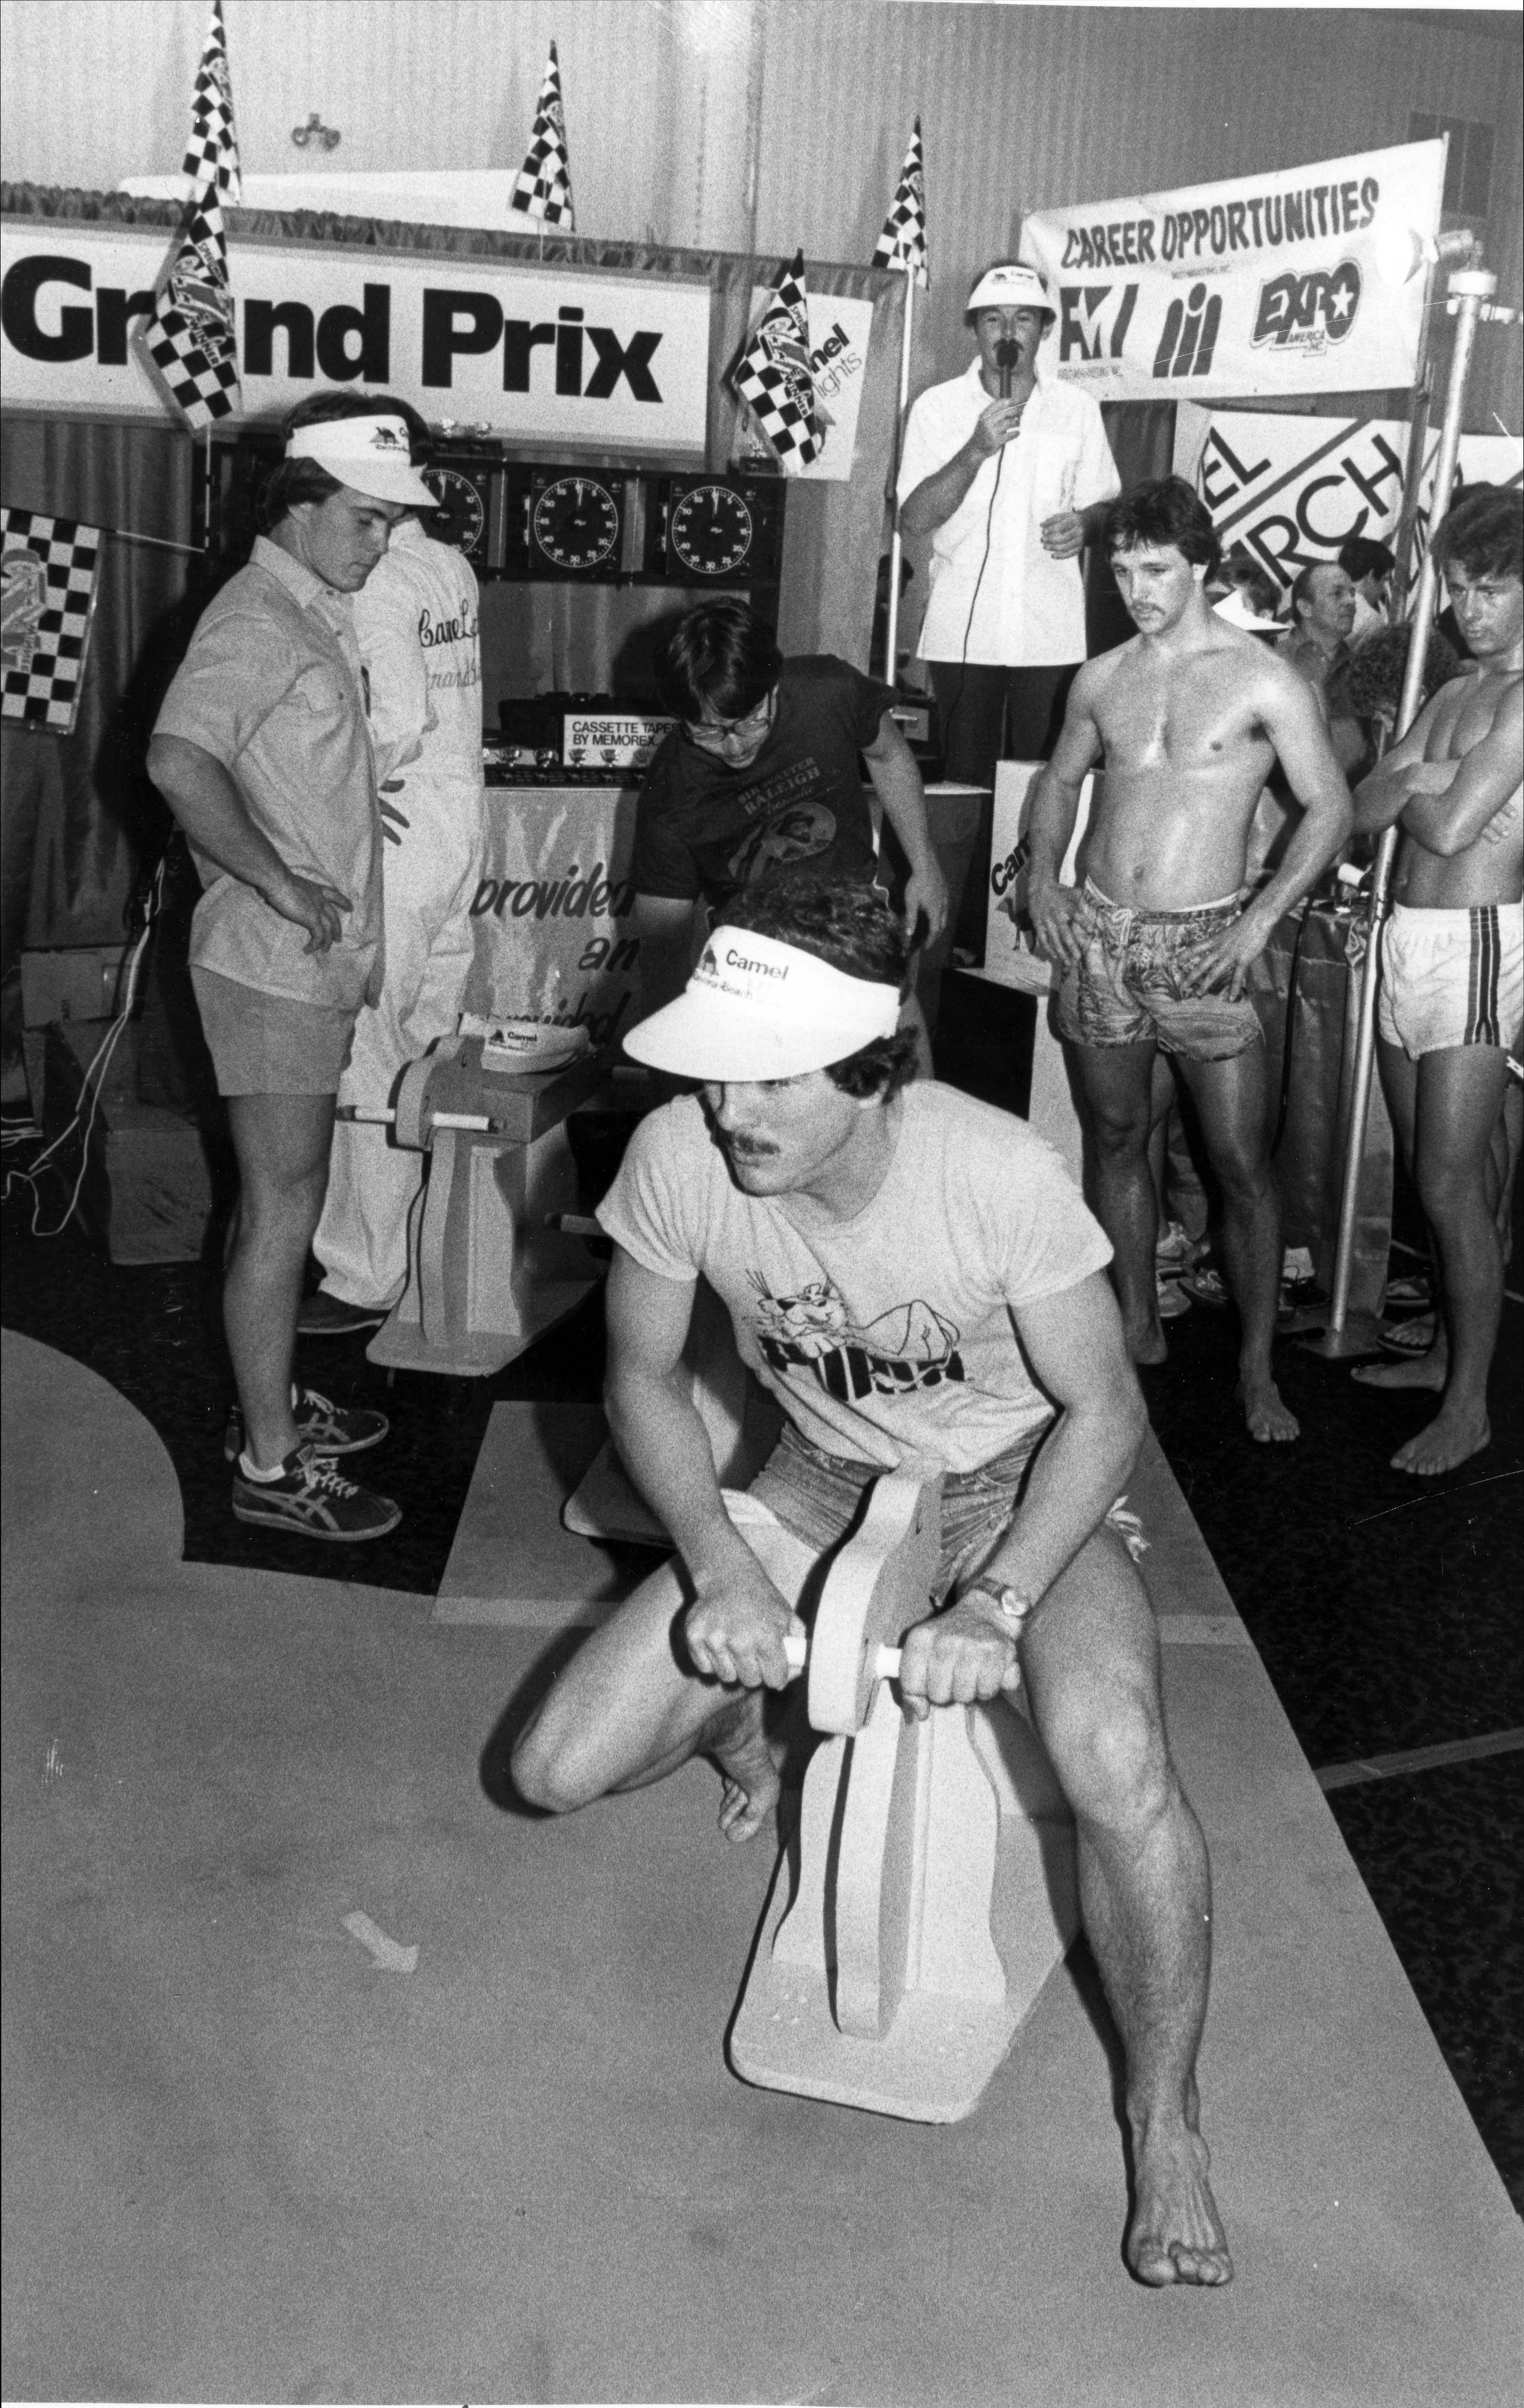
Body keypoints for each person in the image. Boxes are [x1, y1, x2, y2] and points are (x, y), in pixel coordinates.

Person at [512, 874, 1232, 2290]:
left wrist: (1001, 1598)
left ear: (867, 1056)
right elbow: (641, 1378)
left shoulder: (993, 1173)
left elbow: (1106, 1415)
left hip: (1012, 1492)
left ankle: (1166, 2114)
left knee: (1114, 1758)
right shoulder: (675, 1155)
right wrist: (718, 1563)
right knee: (552, 1763)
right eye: (720, 1073)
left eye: (770, 1075)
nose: (733, 1112)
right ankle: (741, 1722)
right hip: (812, 1478)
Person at [147, 395, 438, 1540]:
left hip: (302, 970)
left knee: (282, 1204)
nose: (381, 542)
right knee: (282, 1210)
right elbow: (179, 760)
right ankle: (269, 1467)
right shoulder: (259, 619)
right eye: (366, 520)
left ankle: (268, 1403)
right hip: (269, 968)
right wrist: (278, 882)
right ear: (302, 508)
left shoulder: (305, 610)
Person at [1025, 478, 1353, 1442]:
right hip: (1101, 936)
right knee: (1116, 1136)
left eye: (1155, 569)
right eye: (1121, 569)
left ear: (1201, 563)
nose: (1136, 588)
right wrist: (1042, 874)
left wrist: (1256, 923)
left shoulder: (1262, 677)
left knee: (1238, 1164)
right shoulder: (1099, 677)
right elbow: (1056, 780)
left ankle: (1256, 1372)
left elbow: (1328, 808)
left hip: (1207, 943)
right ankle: (1134, 1326)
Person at [1348, 485, 1523, 1477]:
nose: (1469, 609)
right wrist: (1419, 783)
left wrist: (1416, 783)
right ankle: (1447, 1362)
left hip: (1477, 942)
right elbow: (1369, 805)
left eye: (1491, 589)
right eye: (1457, 587)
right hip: (1410, 936)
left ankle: (1470, 1406)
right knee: (1430, 1173)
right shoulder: (1457, 692)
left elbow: (1451, 829)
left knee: (1455, 1184)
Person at [303, 419, 488, 1337]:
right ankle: (425, 1257)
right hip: (461, 830)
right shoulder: (446, 562)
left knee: (369, 1053)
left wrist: (334, 801)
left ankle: (361, 1274)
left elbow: (400, 717)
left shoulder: (376, 577)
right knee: (431, 1051)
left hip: (402, 833)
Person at [896, 261, 1121, 950]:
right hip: (964, 633)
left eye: (1024, 319)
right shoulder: (937, 407)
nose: (1009, 333)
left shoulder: (1077, 408)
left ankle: (1026, 936)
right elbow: (913, 518)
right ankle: (959, 932)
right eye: (994, 319)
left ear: (1044, 330)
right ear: (976, 331)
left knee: (1047, 780)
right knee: (964, 787)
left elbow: (1110, 504)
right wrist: (975, 449)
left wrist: (1088, 525)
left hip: (1050, 637)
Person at [630, 598, 948, 1024]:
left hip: (853, 922)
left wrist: (925, 867)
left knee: (906, 1070)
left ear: (774, 686)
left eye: (751, 721)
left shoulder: (828, 689)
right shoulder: (671, 793)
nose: (736, 745)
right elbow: (663, 958)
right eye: (709, 732)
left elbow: (888, 755)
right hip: (752, 954)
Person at [1280, 562, 1362, 772]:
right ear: (1305, 607)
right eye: (1337, 594)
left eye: (1352, 593)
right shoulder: (1277, 663)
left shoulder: (1362, 666)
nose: (1351, 602)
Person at [1338, 534, 1396, 648]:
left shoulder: (1319, 600)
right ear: (1370, 575)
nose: (1384, 590)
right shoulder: (1371, 619)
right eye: (1385, 580)